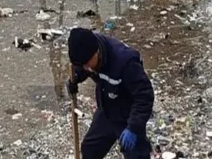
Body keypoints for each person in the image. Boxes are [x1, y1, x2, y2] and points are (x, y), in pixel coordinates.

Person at [66, 28, 154, 159]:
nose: (86, 68)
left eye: (86, 63)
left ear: (97, 52)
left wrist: (134, 127)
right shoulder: (87, 53)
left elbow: (144, 95)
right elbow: (81, 67)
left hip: (128, 114)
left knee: (136, 155)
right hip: (106, 110)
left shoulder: (125, 61)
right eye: (82, 64)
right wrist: (75, 79)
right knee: (90, 149)